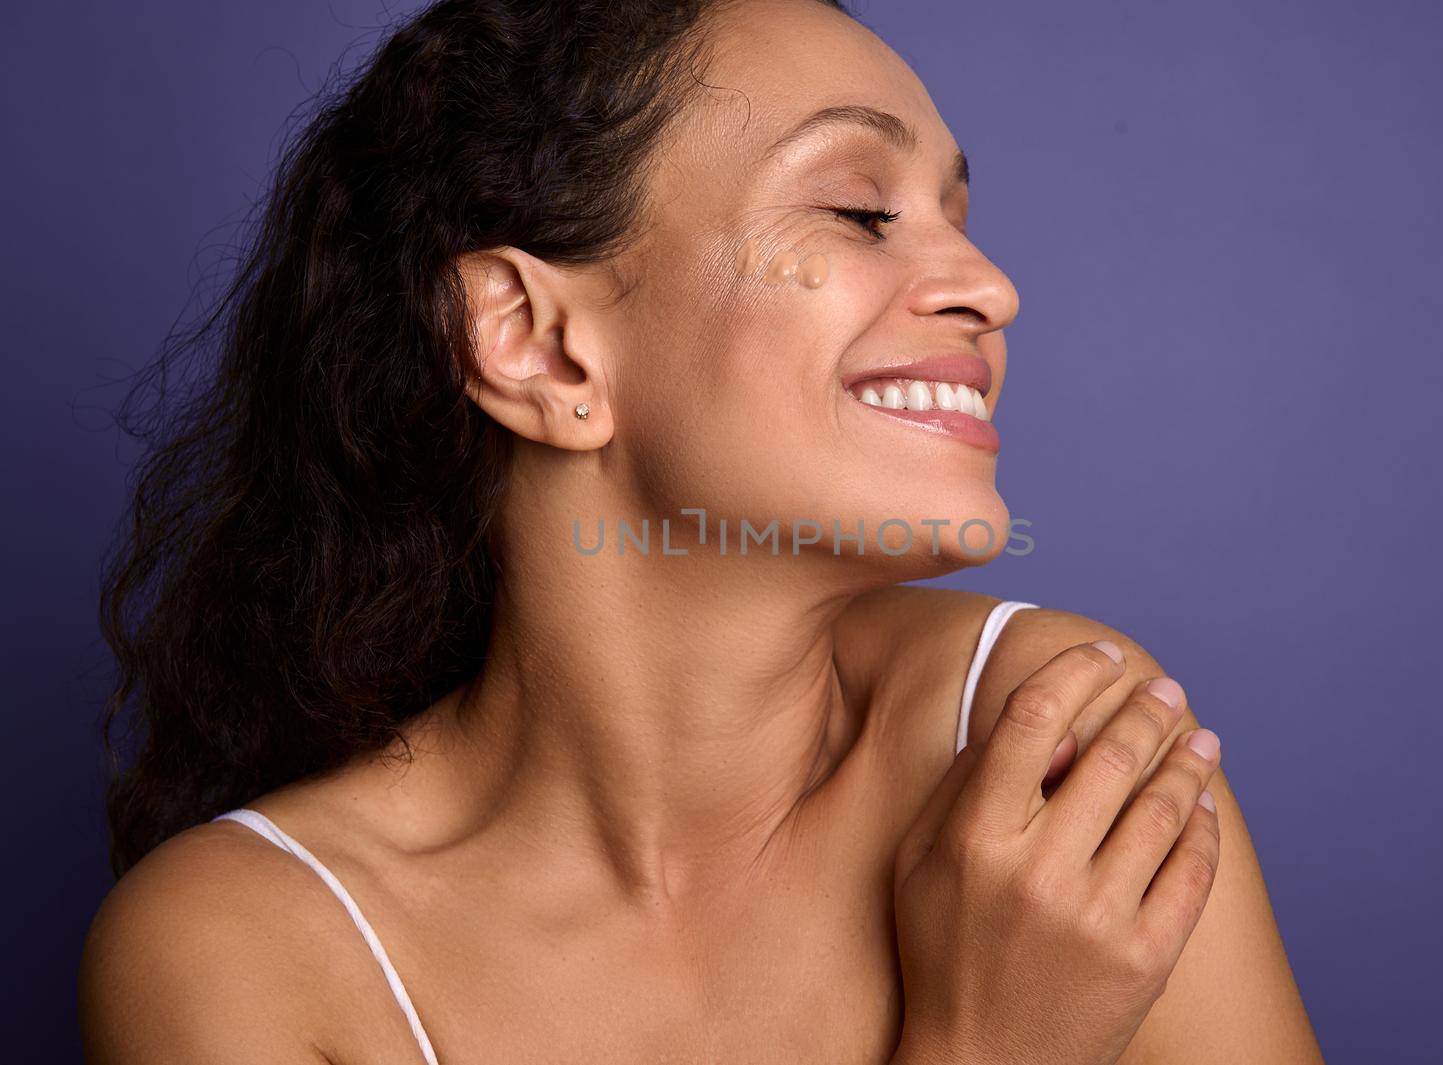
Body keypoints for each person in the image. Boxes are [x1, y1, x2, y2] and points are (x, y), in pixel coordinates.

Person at [79, 1, 1324, 1061]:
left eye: (955, 213)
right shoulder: (244, 951)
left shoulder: (1052, 744)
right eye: (855, 208)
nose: (991, 290)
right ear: (534, 342)